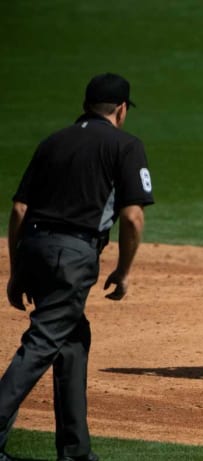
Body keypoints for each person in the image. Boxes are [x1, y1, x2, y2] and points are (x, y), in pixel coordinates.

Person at [0, 73, 154, 461]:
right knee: (40, 345)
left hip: (33, 246)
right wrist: (123, 271)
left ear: (86, 105)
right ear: (121, 110)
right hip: (72, 256)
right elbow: (133, 218)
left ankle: (75, 451)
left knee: (72, 339)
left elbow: (19, 209)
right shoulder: (125, 145)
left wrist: (17, 270)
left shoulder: (53, 141)